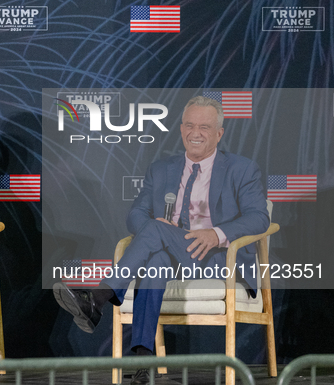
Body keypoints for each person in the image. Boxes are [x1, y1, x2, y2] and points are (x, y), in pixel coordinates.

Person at [53, 96, 269, 384]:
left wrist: (215, 234)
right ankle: (143, 360)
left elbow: (259, 218)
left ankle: (99, 297)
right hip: (172, 255)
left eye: (204, 127)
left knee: (155, 235)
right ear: (180, 129)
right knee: (155, 259)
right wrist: (158, 230)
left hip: (219, 260)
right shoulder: (161, 169)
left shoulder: (242, 169)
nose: (195, 133)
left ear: (220, 133)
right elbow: (136, 215)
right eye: (189, 125)